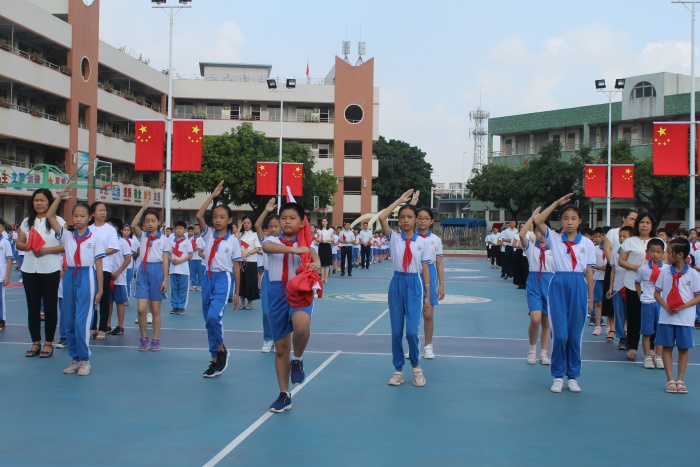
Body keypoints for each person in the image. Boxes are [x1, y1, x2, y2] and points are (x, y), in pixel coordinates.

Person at [262, 200, 321, 412]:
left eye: (292, 218)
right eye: (283, 218)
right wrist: (295, 251)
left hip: (299, 289)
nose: (287, 221)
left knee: (302, 325)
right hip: (277, 291)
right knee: (280, 349)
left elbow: (315, 256)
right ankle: (284, 394)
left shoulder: (307, 241)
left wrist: (314, 261)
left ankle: (298, 359)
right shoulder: (272, 238)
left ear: (301, 222)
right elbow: (267, 247)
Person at [534, 194, 595, 393]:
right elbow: (538, 220)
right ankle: (558, 375)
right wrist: (556, 203)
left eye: (573, 218)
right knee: (559, 335)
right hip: (558, 284)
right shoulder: (554, 238)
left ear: (580, 221)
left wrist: (591, 298)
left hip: (579, 285)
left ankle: (573, 376)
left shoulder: (587, 244)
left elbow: (589, 272)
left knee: (574, 336)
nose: (569, 222)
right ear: (561, 221)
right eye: (566, 218)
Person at [46, 184, 105, 376]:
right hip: (70, 275)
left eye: (82, 216)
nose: (78, 219)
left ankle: (85, 360)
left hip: (87, 276)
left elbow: (98, 266)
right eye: (75, 216)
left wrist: (100, 289)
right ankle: (75, 358)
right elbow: (49, 216)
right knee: (69, 321)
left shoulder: (95, 239)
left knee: (82, 322)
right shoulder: (67, 236)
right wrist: (60, 197)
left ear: (89, 218)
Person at [380, 190, 431, 387]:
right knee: (395, 332)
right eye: (402, 217)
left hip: (414, 285)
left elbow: (425, 268)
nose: (406, 220)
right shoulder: (393, 238)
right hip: (397, 283)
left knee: (411, 332)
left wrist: (427, 295)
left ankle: (416, 367)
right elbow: (382, 216)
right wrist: (400, 200)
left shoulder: (423, 243)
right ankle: (398, 370)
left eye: (410, 217)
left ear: (417, 219)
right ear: (399, 220)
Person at [196, 181, 241, 377]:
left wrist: (237, 291)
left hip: (223, 279)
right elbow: (199, 215)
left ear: (229, 220)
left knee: (215, 317)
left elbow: (237, 266)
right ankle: (214, 359)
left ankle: (222, 349)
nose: (217, 220)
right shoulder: (208, 235)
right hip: (207, 278)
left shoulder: (233, 241)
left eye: (222, 217)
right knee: (208, 321)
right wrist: (212, 196)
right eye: (215, 216)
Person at [16, 188, 65, 358]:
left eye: (42, 200)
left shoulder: (57, 221)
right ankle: (35, 342)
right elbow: (19, 243)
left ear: (49, 202)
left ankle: (49, 342)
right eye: (36, 200)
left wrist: (46, 250)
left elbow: (66, 245)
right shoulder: (27, 222)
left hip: (50, 269)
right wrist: (31, 245)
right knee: (33, 307)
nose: (39, 203)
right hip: (30, 269)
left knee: (50, 307)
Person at [653, 237, 700, 394]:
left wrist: (682, 306)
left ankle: (680, 379)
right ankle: (670, 380)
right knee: (667, 347)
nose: (666, 255)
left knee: (683, 348)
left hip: (685, 319)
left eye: (669, 252)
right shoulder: (665, 272)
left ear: (679, 255)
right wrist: (666, 306)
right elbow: (657, 293)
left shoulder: (693, 274)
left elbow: (698, 296)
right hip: (667, 317)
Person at [131, 197, 171, 352]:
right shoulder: (142, 236)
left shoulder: (164, 240)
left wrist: (165, 280)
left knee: (155, 310)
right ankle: (143, 338)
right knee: (141, 309)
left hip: (157, 272)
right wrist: (142, 208)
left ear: (159, 223)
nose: (149, 224)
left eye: (153, 221)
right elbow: (133, 225)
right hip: (143, 271)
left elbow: (166, 261)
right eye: (147, 221)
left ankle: (155, 339)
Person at [618, 212, 656, 361]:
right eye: (642, 222)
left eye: (647, 222)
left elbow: (664, 260)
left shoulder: (658, 241)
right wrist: (636, 267)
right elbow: (621, 261)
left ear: (652, 225)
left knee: (652, 318)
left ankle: (651, 348)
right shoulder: (630, 241)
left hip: (653, 287)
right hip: (633, 283)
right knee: (633, 316)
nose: (644, 225)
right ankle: (633, 346)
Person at [520, 211, 552, 365]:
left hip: (550, 284)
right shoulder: (531, 248)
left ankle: (544, 353)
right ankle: (532, 349)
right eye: (537, 231)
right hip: (534, 283)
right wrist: (532, 218)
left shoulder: (555, 249)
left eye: (543, 231)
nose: (540, 234)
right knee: (535, 319)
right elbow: (521, 234)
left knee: (546, 322)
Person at [415, 207, 445, 360]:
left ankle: (428, 346)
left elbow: (439, 263)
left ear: (432, 221)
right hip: (414, 274)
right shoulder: (411, 238)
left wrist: (441, 285)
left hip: (430, 274)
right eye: (419, 218)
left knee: (428, 314)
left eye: (426, 218)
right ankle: (414, 346)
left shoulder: (436, 240)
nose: (422, 221)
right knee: (413, 314)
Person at [88, 202, 120, 339]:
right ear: (93, 213)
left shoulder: (110, 229)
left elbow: (114, 248)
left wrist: (98, 253)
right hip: (90, 267)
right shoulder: (88, 229)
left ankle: (103, 328)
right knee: (91, 298)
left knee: (104, 297)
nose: (103, 213)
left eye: (104, 210)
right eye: (100, 210)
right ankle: (92, 327)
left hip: (105, 267)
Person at [636, 237, 666, 369]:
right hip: (647, 303)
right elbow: (637, 282)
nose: (655, 254)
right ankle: (648, 356)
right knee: (647, 332)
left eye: (658, 252)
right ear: (647, 252)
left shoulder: (666, 269)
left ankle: (659, 356)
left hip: (661, 304)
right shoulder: (643, 269)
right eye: (652, 251)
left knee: (660, 332)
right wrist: (640, 295)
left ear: (663, 253)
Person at [255, 199, 278, 353]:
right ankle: (268, 339)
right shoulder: (266, 239)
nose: (272, 229)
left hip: (282, 279)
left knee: (280, 312)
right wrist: (266, 210)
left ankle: (279, 338)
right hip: (268, 278)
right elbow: (257, 225)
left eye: (276, 226)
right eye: (270, 226)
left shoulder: (286, 241)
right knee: (266, 311)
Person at [607, 226, 634, 350]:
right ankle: (622, 338)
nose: (622, 238)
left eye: (625, 236)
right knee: (619, 314)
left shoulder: (635, 253)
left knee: (632, 314)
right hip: (618, 288)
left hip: (631, 287)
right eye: (620, 236)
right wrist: (610, 288)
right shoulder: (615, 253)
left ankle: (631, 337)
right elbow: (613, 271)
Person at [106, 218, 131, 335]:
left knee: (119, 302)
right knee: (108, 302)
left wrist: (118, 272)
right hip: (107, 276)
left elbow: (128, 259)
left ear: (115, 229)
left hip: (118, 278)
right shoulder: (105, 241)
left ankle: (120, 325)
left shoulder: (123, 242)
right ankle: (107, 324)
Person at [237, 215, 261, 310]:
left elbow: (258, 248)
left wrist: (247, 253)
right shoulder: (239, 234)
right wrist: (238, 228)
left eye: (248, 223)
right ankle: (242, 302)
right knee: (241, 282)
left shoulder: (255, 235)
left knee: (250, 282)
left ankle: (249, 302)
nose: (246, 225)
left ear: (252, 224)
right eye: (244, 223)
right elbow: (233, 242)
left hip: (251, 261)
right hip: (240, 261)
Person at [170, 220, 193, 315]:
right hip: (172, 269)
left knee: (183, 289)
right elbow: (166, 253)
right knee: (174, 289)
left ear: (184, 230)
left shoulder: (187, 242)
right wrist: (171, 260)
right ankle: (174, 306)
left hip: (183, 269)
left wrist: (180, 261)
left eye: (181, 228)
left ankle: (181, 307)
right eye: (177, 228)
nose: (179, 230)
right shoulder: (171, 241)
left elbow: (190, 254)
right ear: (174, 230)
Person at [591, 228, 607, 336]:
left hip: (611, 279)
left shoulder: (615, 249)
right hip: (599, 278)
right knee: (599, 302)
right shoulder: (595, 249)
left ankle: (610, 327)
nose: (604, 237)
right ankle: (598, 325)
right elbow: (591, 263)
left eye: (606, 235)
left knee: (610, 304)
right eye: (602, 235)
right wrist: (601, 267)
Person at [0, 229, 13, 331]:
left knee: (1, 300)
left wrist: (7, 276)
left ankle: (1, 321)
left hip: (1, 275)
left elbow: (9, 259)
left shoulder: (5, 242)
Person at [317, 218, 334, 283]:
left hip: (327, 246)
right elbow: (317, 239)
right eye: (323, 221)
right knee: (322, 263)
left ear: (327, 222)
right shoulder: (319, 230)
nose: (324, 222)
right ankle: (322, 278)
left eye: (325, 221)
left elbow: (332, 239)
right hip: (321, 246)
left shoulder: (330, 230)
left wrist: (327, 240)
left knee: (327, 263)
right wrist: (319, 240)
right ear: (321, 222)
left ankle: (326, 278)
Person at [189, 224, 204, 291]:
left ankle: (200, 285)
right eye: (194, 229)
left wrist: (198, 248)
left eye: (197, 229)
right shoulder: (190, 239)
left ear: (200, 229)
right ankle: (193, 285)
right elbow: (188, 248)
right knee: (193, 272)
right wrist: (193, 248)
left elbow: (204, 247)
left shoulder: (202, 238)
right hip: (192, 258)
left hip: (199, 258)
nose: (195, 230)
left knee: (200, 272)